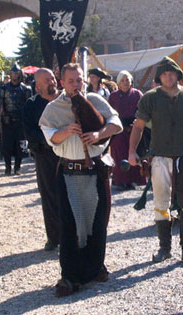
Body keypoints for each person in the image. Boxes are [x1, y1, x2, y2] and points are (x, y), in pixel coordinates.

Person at [39, 63, 122, 297]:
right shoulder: (54, 108)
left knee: (97, 222)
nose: (77, 84)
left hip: (95, 171)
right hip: (68, 172)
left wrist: (98, 134)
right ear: (62, 82)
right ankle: (70, 276)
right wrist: (67, 131)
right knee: (70, 226)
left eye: (79, 80)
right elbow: (49, 136)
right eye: (71, 81)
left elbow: (116, 124)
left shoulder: (95, 100)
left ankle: (95, 268)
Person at [129, 57, 183, 266]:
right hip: (160, 156)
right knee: (161, 202)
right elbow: (138, 127)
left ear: (178, 75)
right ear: (159, 77)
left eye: (172, 73)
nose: (168, 76)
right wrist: (131, 151)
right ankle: (164, 248)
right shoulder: (150, 98)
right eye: (164, 73)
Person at [22, 68, 61, 251]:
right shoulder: (31, 105)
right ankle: (53, 237)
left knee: (70, 194)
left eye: (53, 78)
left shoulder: (65, 101)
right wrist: (51, 137)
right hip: (45, 156)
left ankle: (72, 236)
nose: (52, 81)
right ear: (38, 85)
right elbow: (29, 132)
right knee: (49, 195)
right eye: (47, 79)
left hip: (67, 154)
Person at [0, 63, 33, 175]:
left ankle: (17, 167)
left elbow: (29, 107)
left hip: (20, 122)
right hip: (6, 121)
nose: (14, 75)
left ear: (20, 74)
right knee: (7, 146)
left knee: (20, 145)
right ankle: (7, 167)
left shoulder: (26, 89)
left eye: (17, 73)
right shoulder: (3, 89)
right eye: (13, 73)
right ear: (10, 74)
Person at [108, 70, 146, 190]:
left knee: (134, 153)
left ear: (131, 81)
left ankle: (135, 180)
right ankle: (120, 180)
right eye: (123, 80)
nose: (125, 82)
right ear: (119, 83)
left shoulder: (138, 94)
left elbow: (143, 110)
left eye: (127, 80)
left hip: (135, 128)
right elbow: (110, 113)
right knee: (119, 154)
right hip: (119, 130)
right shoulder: (113, 96)